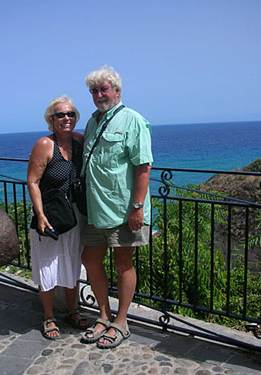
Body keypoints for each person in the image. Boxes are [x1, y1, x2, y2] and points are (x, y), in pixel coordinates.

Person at [80, 66, 153, 349]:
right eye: (94, 91)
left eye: (104, 89)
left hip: (123, 209)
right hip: (96, 208)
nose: (99, 95)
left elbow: (143, 167)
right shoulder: (92, 122)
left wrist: (137, 208)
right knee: (90, 259)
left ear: (117, 91)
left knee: (123, 263)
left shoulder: (133, 120)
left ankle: (121, 322)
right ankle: (103, 314)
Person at [27, 95, 88, 339]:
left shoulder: (79, 141)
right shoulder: (44, 144)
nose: (66, 118)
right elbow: (32, 181)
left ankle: (72, 310)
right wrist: (39, 215)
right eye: (60, 115)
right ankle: (49, 315)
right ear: (51, 120)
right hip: (51, 212)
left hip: (73, 213)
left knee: (72, 261)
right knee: (48, 263)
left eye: (70, 114)